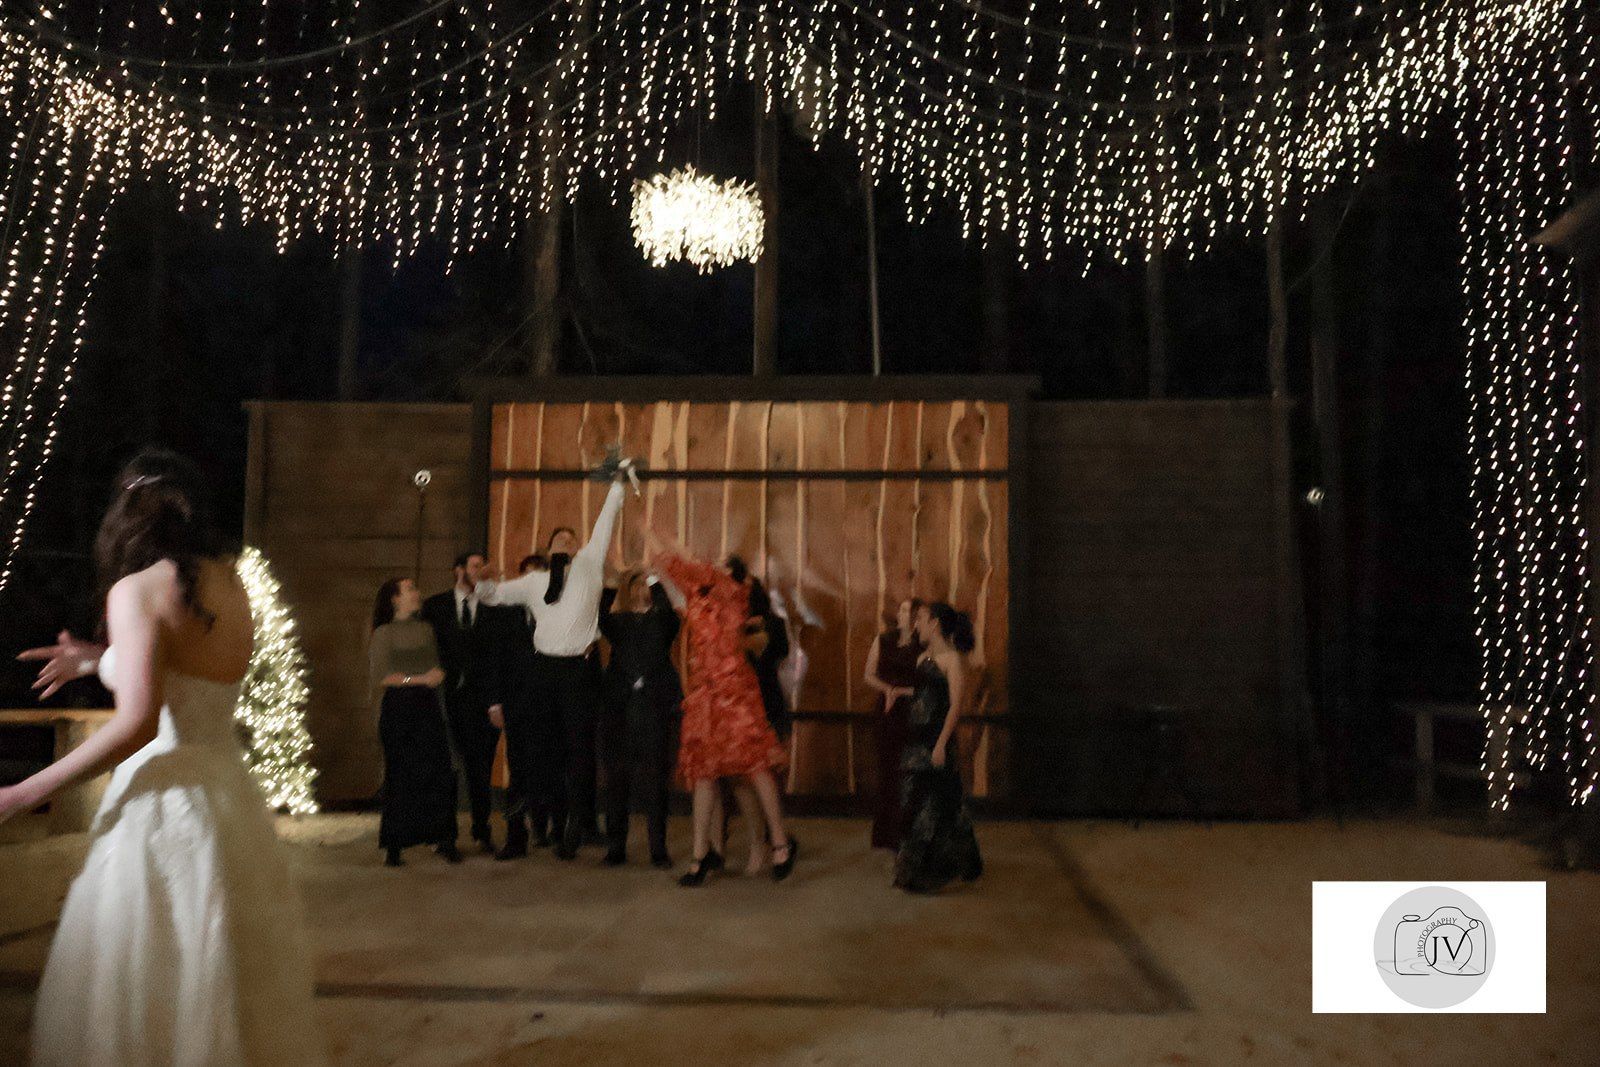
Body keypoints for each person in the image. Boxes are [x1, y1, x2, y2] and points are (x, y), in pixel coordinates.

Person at [1, 448, 326, 1065]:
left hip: (162, 808)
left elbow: (139, 724)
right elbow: (191, 674)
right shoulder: (230, 584)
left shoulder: (135, 590)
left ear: (125, 514)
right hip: (228, 800)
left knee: (149, 977)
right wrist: (98, 660)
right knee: (225, 975)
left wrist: (24, 792)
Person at [476, 467, 629, 859]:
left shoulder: (589, 564)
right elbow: (493, 596)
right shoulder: (534, 582)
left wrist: (617, 485)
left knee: (580, 751)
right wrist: (485, 581)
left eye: (571, 538)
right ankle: (528, 829)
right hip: (543, 672)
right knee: (536, 751)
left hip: (578, 670)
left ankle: (576, 827)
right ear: (547, 550)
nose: (567, 541)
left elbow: (606, 521)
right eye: (559, 538)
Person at [645, 523, 796, 886]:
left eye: (722, 562)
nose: (714, 564)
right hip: (705, 694)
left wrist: (661, 535)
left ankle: (779, 844)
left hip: (735, 691)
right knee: (703, 771)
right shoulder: (697, 599)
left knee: (755, 765)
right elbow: (671, 573)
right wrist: (655, 541)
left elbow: (687, 565)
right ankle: (701, 855)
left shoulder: (735, 592)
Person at [421, 552, 509, 854]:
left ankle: (481, 829)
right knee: (447, 768)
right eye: (474, 566)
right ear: (458, 570)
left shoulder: (492, 607)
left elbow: (497, 658)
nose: (480, 571)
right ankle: (445, 837)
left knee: (481, 768)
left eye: (483, 567)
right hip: (447, 699)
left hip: (483, 702)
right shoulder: (435, 606)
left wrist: (496, 702)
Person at [371, 577, 462, 867]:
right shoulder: (384, 633)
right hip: (399, 709)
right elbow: (383, 676)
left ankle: (444, 839)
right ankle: (395, 845)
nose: (416, 593)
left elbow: (435, 664)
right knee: (400, 775)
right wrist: (420, 679)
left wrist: (437, 675)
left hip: (427, 707)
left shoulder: (425, 629)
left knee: (438, 772)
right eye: (409, 589)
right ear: (395, 599)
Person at [894, 602, 984, 894]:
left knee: (940, 804)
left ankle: (933, 869)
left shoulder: (952, 660)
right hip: (916, 740)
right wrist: (898, 691)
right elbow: (923, 693)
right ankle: (941, 864)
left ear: (934, 624)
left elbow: (955, 705)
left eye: (920, 618)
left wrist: (942, 744)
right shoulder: (923, 658)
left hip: (936, 740)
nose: (916, 623)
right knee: (918, 800)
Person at [597, 569, 682, 868]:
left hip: (654, 707)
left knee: (656, 779)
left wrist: (656, 581)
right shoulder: (618, 621)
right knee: (617, 779)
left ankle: (658, 849)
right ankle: (615, 847)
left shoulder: (663, 620)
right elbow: (600, 617)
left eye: (645, 586)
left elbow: (669, 615)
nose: (640, 590)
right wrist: (610, 586)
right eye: (636, 585)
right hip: (619, 707)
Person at [497, 552, 565, 857]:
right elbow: (495, 660)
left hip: (551, 704)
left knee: (553, 770)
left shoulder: (558, 611)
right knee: (518, 773)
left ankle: (555, 832)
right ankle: (515, 837)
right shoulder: (506, 613)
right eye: (527, 576)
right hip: (517, 706)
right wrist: (495, 702)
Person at [864, 598, 924, 850]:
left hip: (912, 711)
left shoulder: (923, 645)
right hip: (887, 711)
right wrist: (887, 689)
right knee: (887, 770)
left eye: (906, 610)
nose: (901, 614)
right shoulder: (884, 640)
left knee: (909, 772)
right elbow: (868, 674)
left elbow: (929, 683)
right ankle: (887, 834)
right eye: (901, 609)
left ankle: (908, 832)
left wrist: (901, 692)